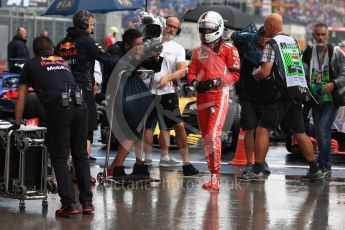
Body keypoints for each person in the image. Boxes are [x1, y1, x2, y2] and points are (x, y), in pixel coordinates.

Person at [13, 36, 93, 217]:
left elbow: (20, 98)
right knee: (80, 153)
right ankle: (87, 202)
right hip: (81, 106)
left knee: (59, 156)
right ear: (51, 49)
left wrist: (17, 124)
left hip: (60, 109)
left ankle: (68, 204)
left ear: (34, 51)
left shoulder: (31, 64)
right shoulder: (62, 61)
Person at [240, 13, 324, 181]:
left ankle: (257, 170)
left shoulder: (272, 43)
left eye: (266, 25)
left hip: (282, 93)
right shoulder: (292, 41)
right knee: (300, 132)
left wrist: (255, 74)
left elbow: (265, 71)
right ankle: (315, 169)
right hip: (297, 91)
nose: (264, 28)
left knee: (262, 129)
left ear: (271, 26)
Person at [187, 11, 240, 190]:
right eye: (203, 28)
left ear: (218, 28)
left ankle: (215, 178)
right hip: (201, 96)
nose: (205, 31)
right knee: (206, 138)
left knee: (212, 135)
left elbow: (235, 75)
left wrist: (216, 81)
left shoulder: (229, 49)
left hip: (220, 95)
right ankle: (212, 176)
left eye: (209, 28)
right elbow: (191, 71)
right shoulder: (197, 50)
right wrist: (195, 83)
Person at [55, 10, 117, 165]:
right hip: (83, 92)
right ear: (84, 24)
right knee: (87, 131)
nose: (92, 27)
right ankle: (81, 169)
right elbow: (107, 59)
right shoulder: (87, 41)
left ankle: (68, 167)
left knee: (68, 132)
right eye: (91, 24)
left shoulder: (61, 44)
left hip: (62, 93)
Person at [140, 16, 199, 176]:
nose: (171, 29)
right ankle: (147, 160)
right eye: (169, 25)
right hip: (148, 91)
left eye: (174, 27)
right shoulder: (149, 41)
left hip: (168, 92)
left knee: (178, 126)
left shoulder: (178, 48)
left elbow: (182, 70)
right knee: (149, 127)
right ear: (163, 25)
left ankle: (185, 162)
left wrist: (167, 78)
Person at [106, 28, 163, 181]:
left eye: (141, 44)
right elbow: (120, 65)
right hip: (117, 95)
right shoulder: (114, 50)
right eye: (137, 44)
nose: (140, 47)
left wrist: (155, 56)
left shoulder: (134, 51)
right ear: (126, 45)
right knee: (133, 129)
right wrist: (136, 57)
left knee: (146, 119)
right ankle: (115, 167)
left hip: (132, 93)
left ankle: (132, 165)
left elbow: (154, 67)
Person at [302, 23, 345, 177]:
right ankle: (323, 167)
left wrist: (334, 84)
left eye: (323, 34)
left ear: (327, 35)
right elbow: (303, 73)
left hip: (331, 100)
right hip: (315, 99)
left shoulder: (336, 52)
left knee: (321, 132)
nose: (320, 37)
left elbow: (344, 74)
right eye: (317, 34)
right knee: (321, 133)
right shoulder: (307, 52)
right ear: (313, 35)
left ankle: (324, 167)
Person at [231, 26, 270, 175]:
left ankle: (261, 161)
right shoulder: (246, 47)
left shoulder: (272, 51)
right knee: (249, 130)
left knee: (263, 132)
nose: (264, 38)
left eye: (267, 36)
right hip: (248, 95)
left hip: (267, 97)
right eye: (262, 35)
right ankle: (249, 163)